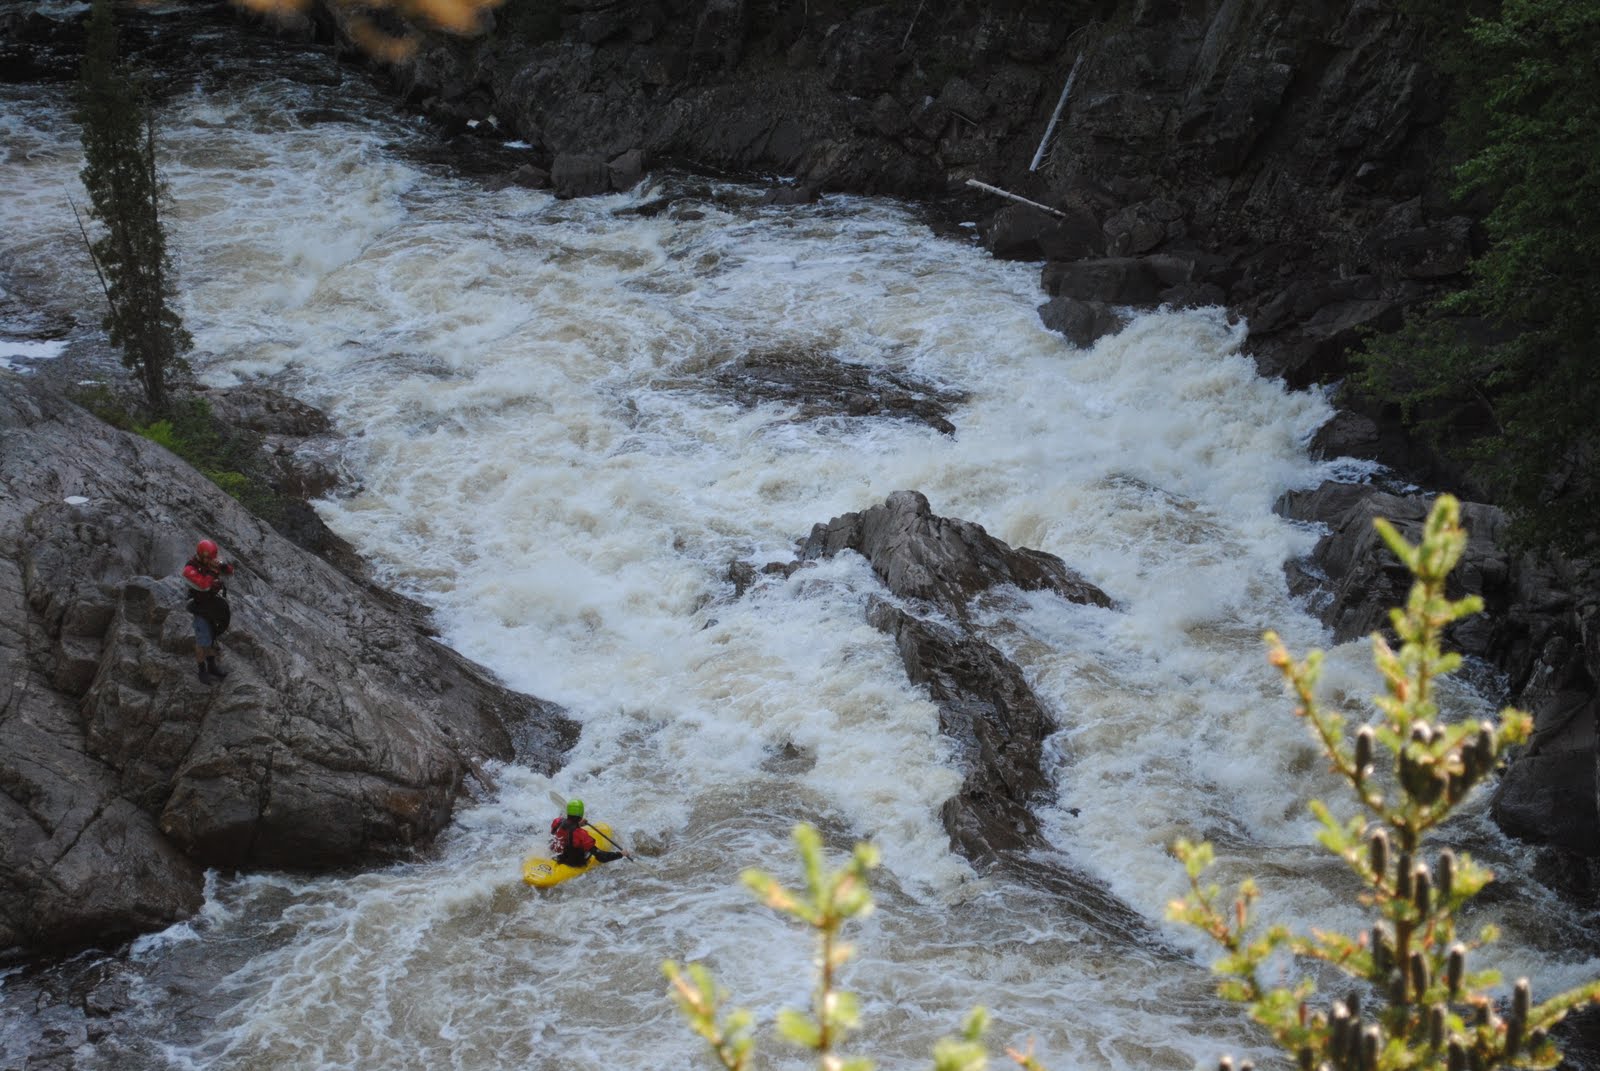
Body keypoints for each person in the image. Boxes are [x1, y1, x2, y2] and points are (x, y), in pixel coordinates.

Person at [182, 538, 234, 684]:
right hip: (199, 606)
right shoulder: (189, 570)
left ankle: (212, 666)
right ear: (201, 555)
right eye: (209, 558)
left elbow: (230, 572)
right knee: (202, 640)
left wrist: (223, 565)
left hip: (211, 605)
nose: (212, 560)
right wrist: (213, 571)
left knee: (212, 636)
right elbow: (204, 586)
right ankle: (202, 670)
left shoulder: (210, 562)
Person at [550, 799, 628, 867]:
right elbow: (601, 857)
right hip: (572, 862)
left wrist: (577, 824)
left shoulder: (558, 821)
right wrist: (620, 854)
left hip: (558, 855)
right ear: (581, 814)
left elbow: (566, 830)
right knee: (587, 849)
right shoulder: (581, 834)